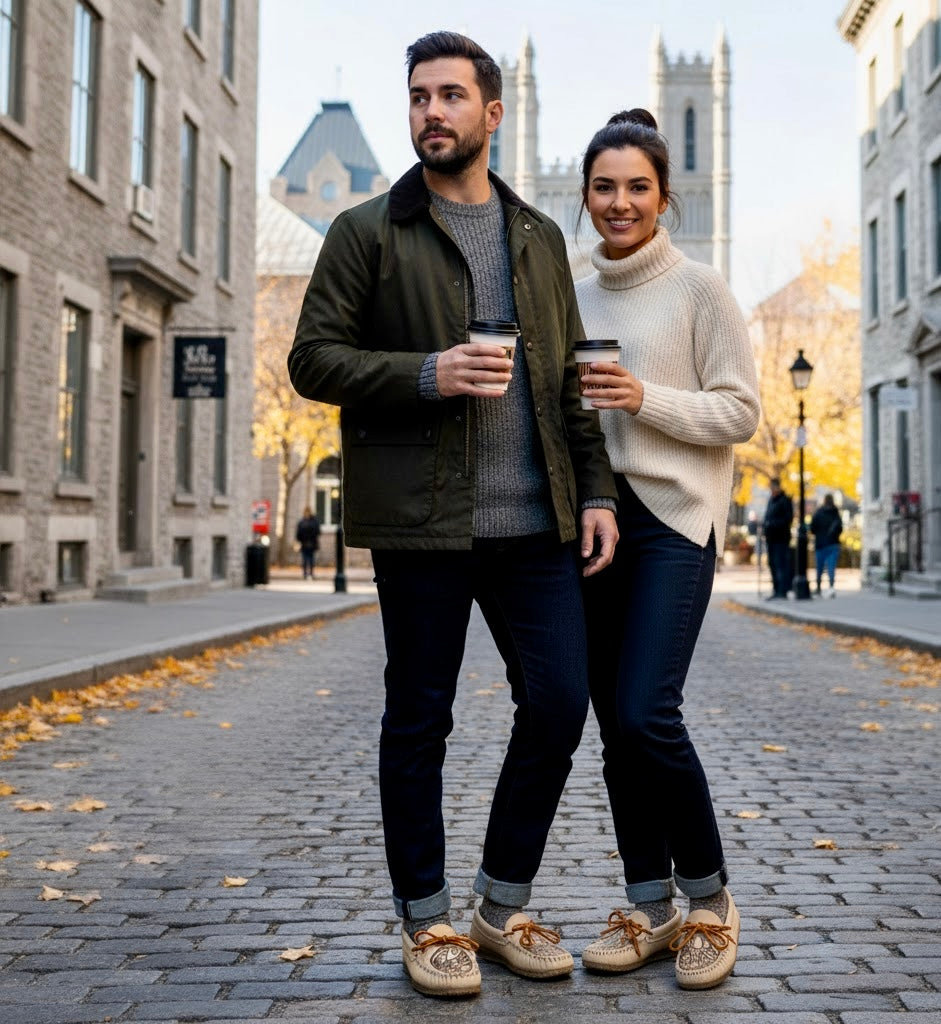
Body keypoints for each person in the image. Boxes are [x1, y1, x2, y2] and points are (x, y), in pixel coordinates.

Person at [288, 31, 618, 998]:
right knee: (418, 720)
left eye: (450, 96)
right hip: (423, 525)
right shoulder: (365, 231)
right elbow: (313, 359)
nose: (431, 112)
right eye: (419, 97)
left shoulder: (539, 236)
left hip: (534, 527)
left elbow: (568, 379)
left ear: (492, 113)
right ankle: (425, 920)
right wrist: (427, 373)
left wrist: (593, 489)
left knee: (558, 706)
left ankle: (499, 904)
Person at [573, 109, 760, 990]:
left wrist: (644, 397)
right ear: (585, 196)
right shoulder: (570, 290)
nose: (619, 203)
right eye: (603, 187)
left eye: (636, 187)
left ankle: (710, 902)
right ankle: (649, 907)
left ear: (663, 197)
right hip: (593, 521)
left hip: (675, 522)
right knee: (613, 728)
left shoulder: (699, 289)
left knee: (649, 711)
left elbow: (738, 412)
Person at [763, 478, 794, 599]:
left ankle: (782, 590)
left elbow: (788, 519)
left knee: (781, 564)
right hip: (771, 538)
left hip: (781, 538)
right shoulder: (771, 500)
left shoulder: (784, 500)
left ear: (777, 487)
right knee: (773, 564)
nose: (770, 490)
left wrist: (772, 523)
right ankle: (776, 589)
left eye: (771, 487)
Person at [810, 493, 842, 597]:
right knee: (831, 567)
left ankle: (819, 587)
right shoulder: (835, 513)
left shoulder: (819, 512)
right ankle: (831, 587)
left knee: (819, 567)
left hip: (821, 543)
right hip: (833, 543)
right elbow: (840, 528)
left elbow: (812, 528)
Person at [295, 507, 321, 579]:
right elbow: (298, 534)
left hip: (310, 543)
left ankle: (310, 573)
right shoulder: (304, 522)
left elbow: (317, 532)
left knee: (310, 559)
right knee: (306, 559)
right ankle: (306, 574)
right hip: (306, 543)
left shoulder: (307, 521)